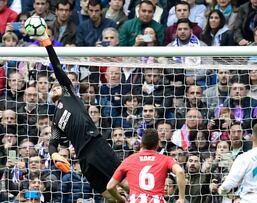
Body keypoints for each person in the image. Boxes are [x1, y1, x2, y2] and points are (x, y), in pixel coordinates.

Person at [28, 25, 124, 202]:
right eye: (52, 86)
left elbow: (56, 67)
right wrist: (54, 154)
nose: (55, 86)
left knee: (123, 181)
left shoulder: (69, 95)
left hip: (95, 145)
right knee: (107, 194)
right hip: (83, 158)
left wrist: (47, 43)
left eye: (56, 85)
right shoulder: (56, 121)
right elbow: (53, 143)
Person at [107, 129, 186, 203]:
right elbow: (180, 172)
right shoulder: (165, 159)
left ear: (141, 144)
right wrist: (181, 198)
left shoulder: (128, 160)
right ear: (158, 144)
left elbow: (110, 186)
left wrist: (120, 199)